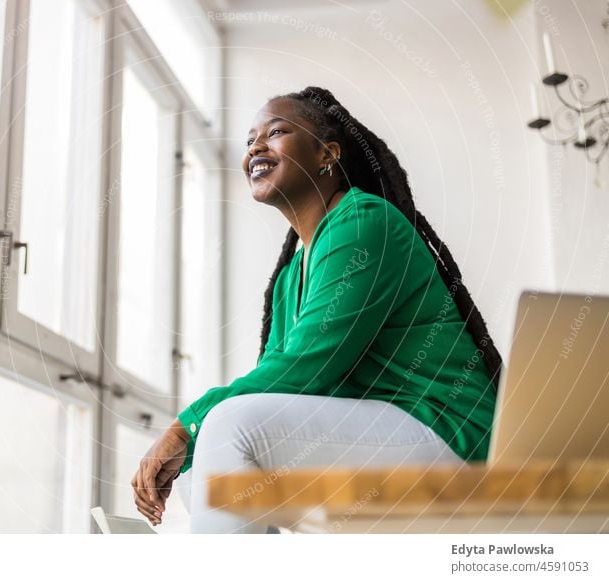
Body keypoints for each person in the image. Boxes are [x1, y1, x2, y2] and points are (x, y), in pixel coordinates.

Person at [130, 86, 503, 534]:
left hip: (448, 433)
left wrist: (183, 428)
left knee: (226, 427)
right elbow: (278, 380)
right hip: (388, 436)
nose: (256, 147)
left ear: (326, 153)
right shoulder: (291, 276)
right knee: (199, 476)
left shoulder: (365, 222)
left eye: (277, 131)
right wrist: (192, 438)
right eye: (250, 139)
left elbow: (310, 367)